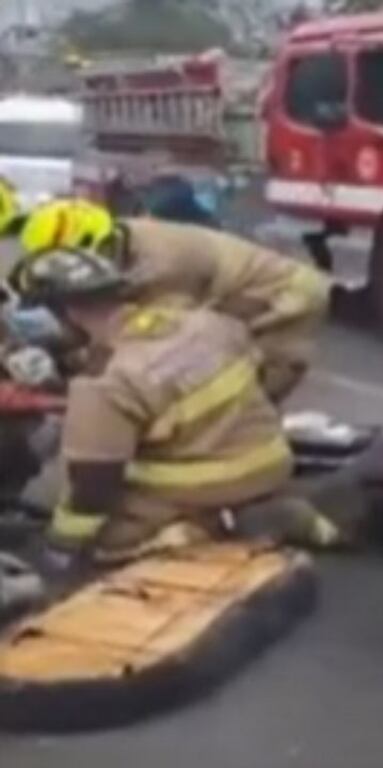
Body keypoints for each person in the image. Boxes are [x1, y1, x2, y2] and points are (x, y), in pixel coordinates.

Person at [14, 249, 336, 567]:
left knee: (108, 536)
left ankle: (200, 528)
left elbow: (93, 486)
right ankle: (261, 506)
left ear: (65, 313)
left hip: (206, 483)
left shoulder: (103, 385)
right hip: (271, 458)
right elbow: (258, 375)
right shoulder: (200, 322)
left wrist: (61, 543)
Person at [12, 199, 329, 403]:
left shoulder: (161, 269)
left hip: (284, 298)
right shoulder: (120, 240)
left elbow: (149, 343)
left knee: (239, 397)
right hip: (231, 289)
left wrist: (79, 379)